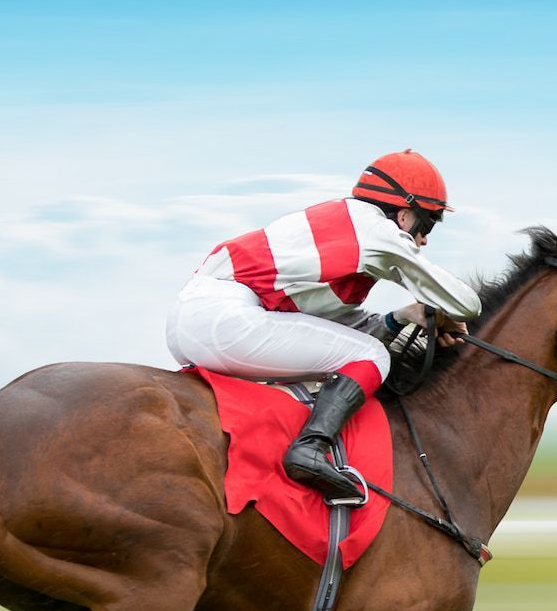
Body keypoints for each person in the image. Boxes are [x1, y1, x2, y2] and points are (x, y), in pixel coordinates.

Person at [166, 149, 482, 503]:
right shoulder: (377, 231)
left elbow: (335, 332)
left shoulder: (339, 229)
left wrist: (403, 317)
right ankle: (309, 449)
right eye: (428, 224)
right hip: (225, 319)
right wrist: (443, 309)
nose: (423, 240)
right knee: (373, 355)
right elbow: (467, 303)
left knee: (360, 350)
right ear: (405, 214)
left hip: (195, 319)